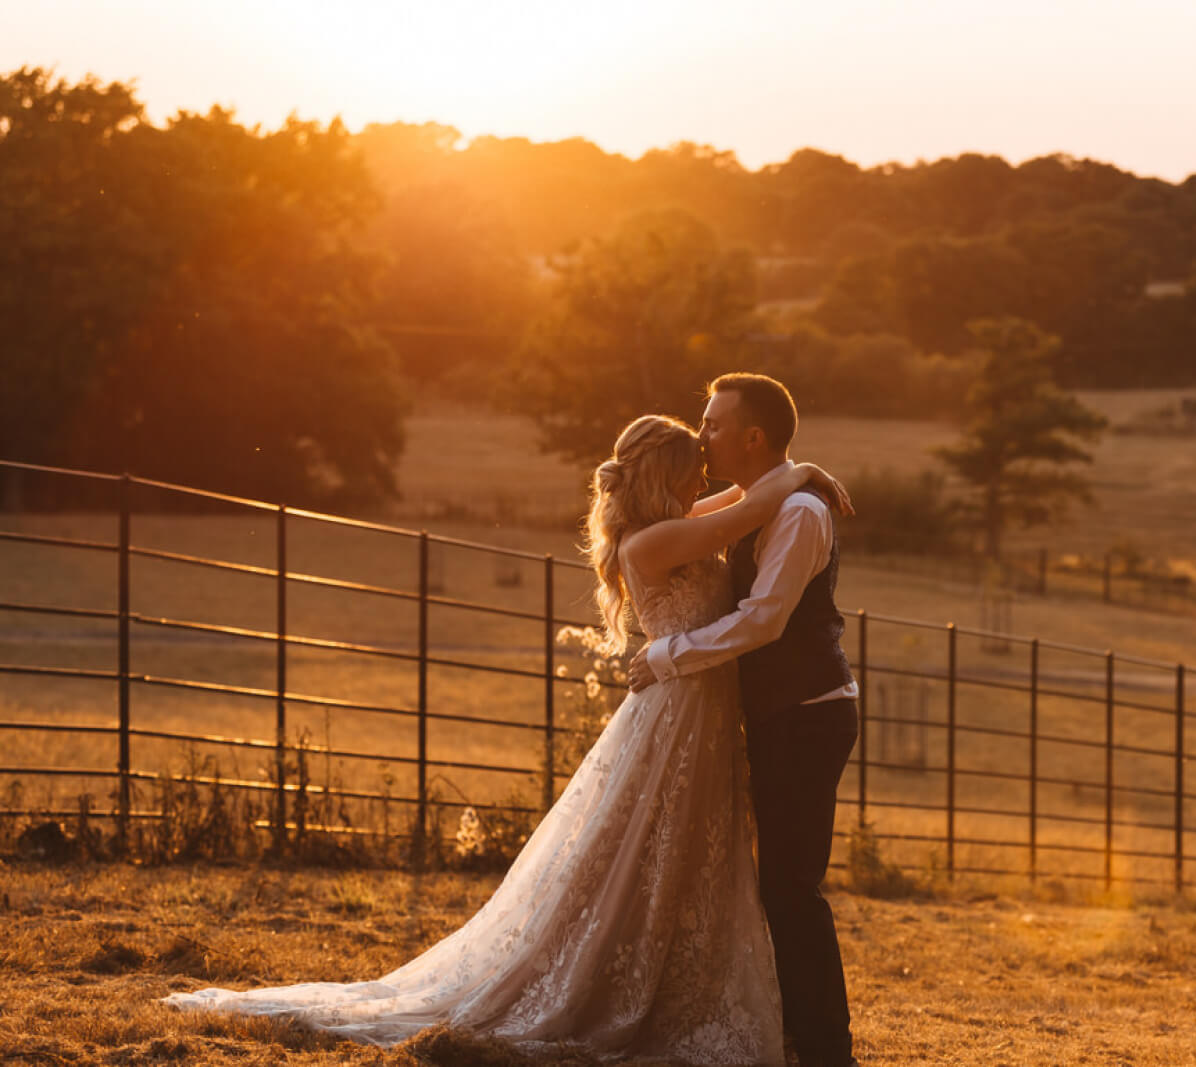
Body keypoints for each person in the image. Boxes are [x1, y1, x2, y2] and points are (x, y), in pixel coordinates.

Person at [163, 413, 851, 1065]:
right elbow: (743, 513)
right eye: (692, 468)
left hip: (703, 707)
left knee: (682, 853)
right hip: (678, 710)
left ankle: (681, 979)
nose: (704, 470)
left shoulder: (672, 525)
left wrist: (792, 474)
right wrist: (798, 472)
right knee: (645, 850)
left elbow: (738, 505)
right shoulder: (653, 541)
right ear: (666, 479)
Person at [627, 373, 861, 1067]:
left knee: (790, 886)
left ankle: (826, 1051)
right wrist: (802, 468)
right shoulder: (764, 501)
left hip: (808, 712)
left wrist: (667, 655)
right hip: (776, 712)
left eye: (713, 424)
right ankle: (795, 1034)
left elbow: (763, 621)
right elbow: (715, 520)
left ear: (753, 436)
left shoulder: (799, 514)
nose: (703, 436)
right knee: (773, 884)